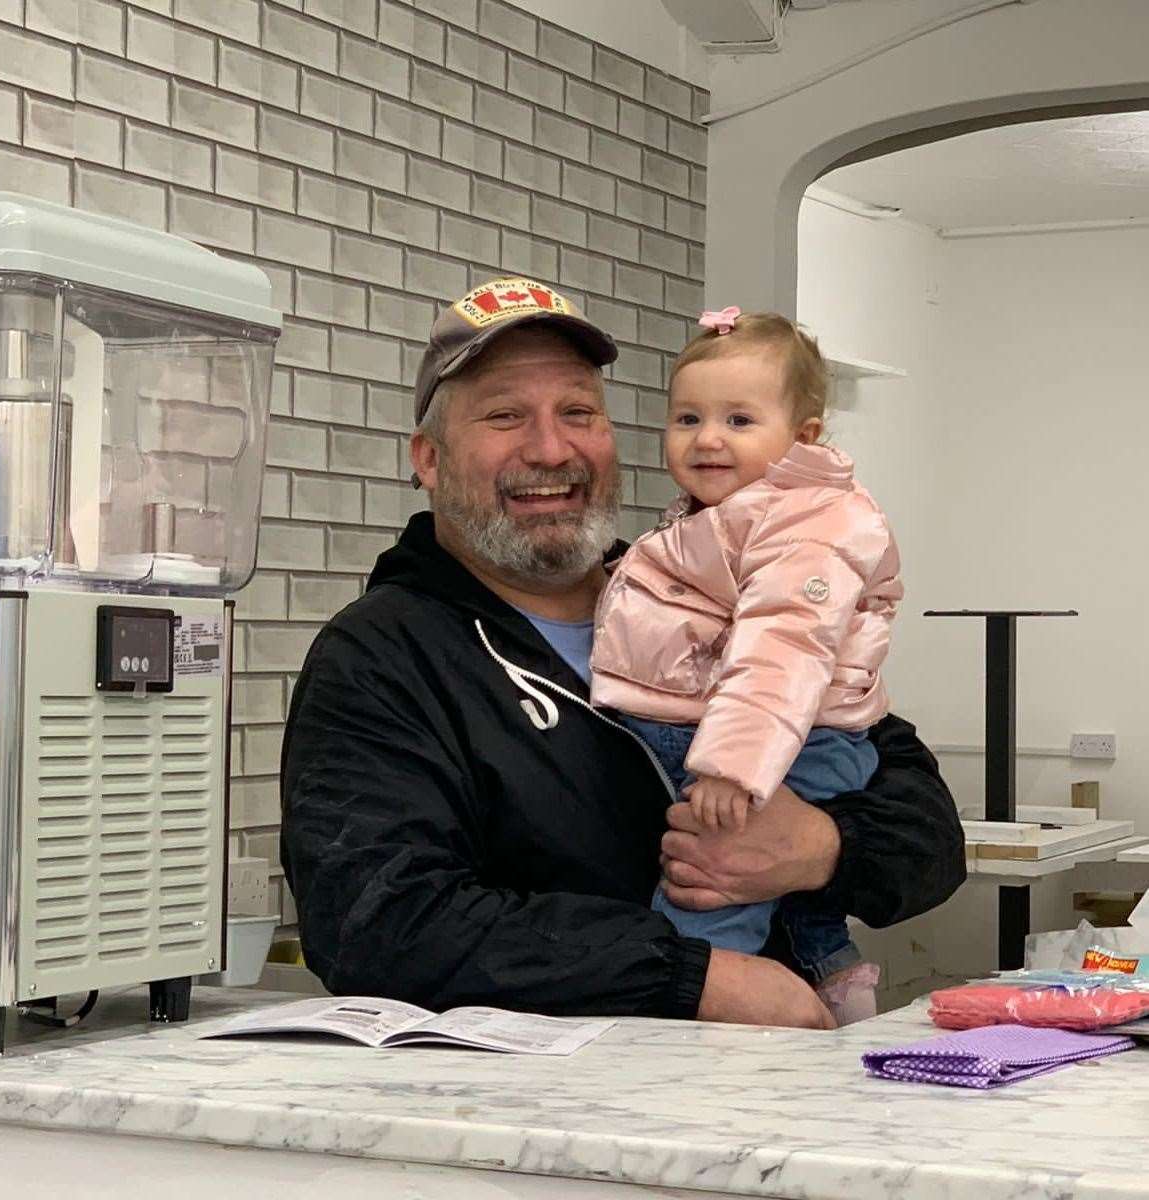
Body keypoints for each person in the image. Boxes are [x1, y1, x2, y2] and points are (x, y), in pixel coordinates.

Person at [279, 277, 964, 1029]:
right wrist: (693, 978)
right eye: (505, 416)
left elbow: (929, 832)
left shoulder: (704, 587)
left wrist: (825, 848)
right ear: (430, 460)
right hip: (546, 1114)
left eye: (578, 412)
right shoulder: (381, 656)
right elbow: (380, 925)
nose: (550, 449)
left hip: (769, 1083)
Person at [590, 307, 899, 1025]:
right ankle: (833, 973)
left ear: (804, 437)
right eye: (687, 417)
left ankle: (699, 1032)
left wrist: (735, 763)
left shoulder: (805, 521)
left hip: (780, 744)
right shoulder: (728, 513)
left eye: (737, 420)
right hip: (773, 736)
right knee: (766, 884)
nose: (705, 439)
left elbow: (782, 645)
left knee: (708, 886)